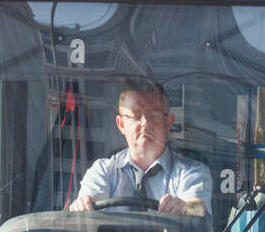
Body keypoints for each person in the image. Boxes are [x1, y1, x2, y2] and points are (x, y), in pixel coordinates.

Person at [70, 82, 212, 216]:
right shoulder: (103, 171)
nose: (145, 123)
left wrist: (187, 207)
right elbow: (89, 203)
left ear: (168, 123)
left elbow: (199, 208)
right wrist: (84, 205)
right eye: (136, 116)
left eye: (153, 116)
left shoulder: (192, 171)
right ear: (121, 124)